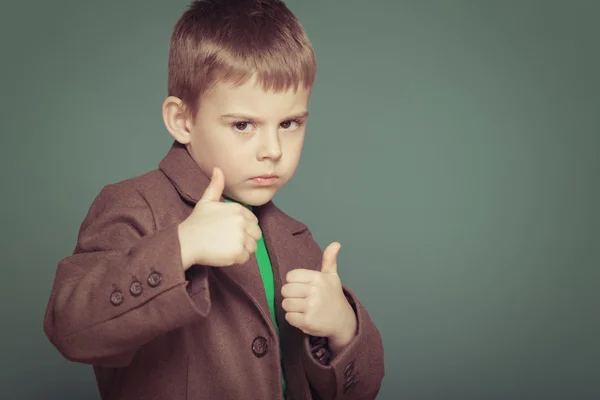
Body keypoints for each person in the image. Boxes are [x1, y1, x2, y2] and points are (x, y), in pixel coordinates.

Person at [43, 0, 385, 399]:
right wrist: (181, 246)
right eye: (243, 125)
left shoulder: (296, 239)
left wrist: (343, 328)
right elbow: (69, 328)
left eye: (289, 123)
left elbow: (362, 391)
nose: (272, 149)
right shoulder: (135, 205)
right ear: (182, 120)